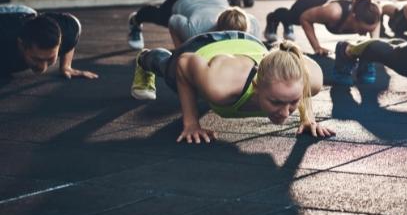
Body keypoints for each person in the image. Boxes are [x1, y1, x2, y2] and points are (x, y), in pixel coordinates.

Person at [129, 31, 333, 142]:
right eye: (276, 102)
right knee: (170, 70)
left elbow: (299, 73)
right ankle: (146, 57)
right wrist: (191, 124)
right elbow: (184, 63)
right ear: (257, 85)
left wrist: (308, 118)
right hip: (204, 47)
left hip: (248, 43)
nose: (285, 113)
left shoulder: (311, 79)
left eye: (293, 102)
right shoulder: (220, 86)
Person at [127, 0, 261, 49]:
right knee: (160, 16)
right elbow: (174, 20)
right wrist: (180, 51)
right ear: (218, 29)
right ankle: (135, 21)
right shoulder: (195, 31)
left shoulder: (252, 24)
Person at [264, 0, 382, 55]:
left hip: (330, 1)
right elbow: (305, 18)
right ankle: (273, 18)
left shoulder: (372, 13)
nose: (364, 34)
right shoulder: (333, 13)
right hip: (309, 3)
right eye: (363, 30)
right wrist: (317, 47)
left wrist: (374, 46)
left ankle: (286, 24)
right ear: (353, 18)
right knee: (294, 18)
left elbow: (374, 28)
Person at [0, 9, 97, 79]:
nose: (43, 67)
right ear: (21, 45)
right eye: (36, 59)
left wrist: (66, 66)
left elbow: (74, 24)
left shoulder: (68, 32)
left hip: (31, 15)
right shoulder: (5, 38)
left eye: (50, 59)